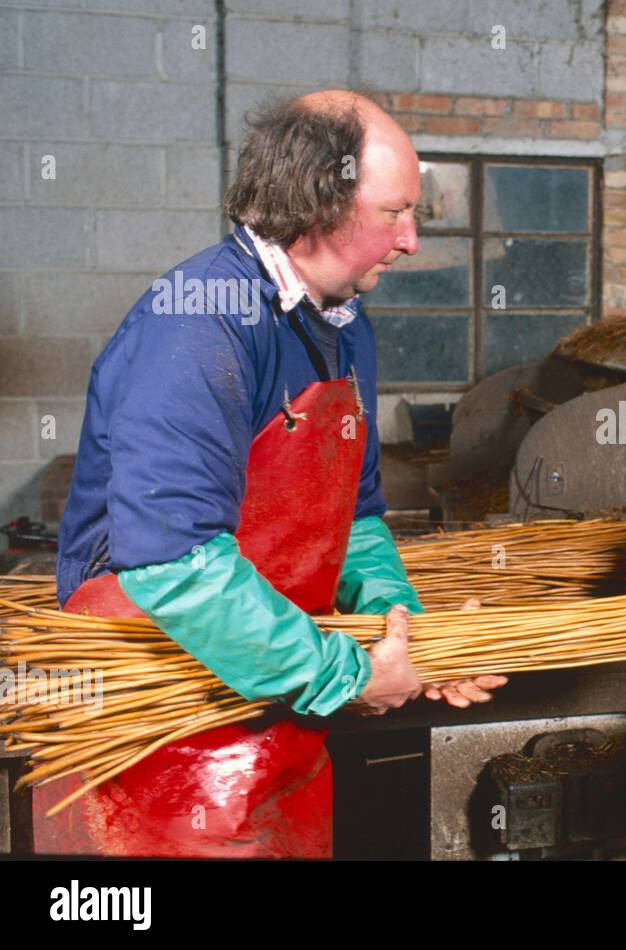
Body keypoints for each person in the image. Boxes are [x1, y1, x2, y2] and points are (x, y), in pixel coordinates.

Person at [43, 90, 505, 857]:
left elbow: (354, 520)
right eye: (394, 213)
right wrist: (346, 676)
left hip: (278, 707)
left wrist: (403, 638)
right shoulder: (203, 322)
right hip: (165, 732)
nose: (413, 241)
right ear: (319, 203)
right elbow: (173, 564)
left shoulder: (345, 325)